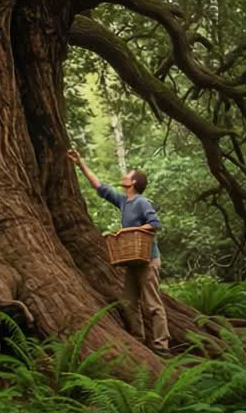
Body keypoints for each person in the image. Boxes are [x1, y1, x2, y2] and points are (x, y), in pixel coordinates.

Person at [66, 149, 169, 354]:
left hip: (148, 260)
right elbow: (100, 187)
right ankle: (139, 339)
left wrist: (129, 231)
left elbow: (154, 224)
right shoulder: (124, 202)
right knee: (129, 302)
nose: (124, 177)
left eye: (127, 175)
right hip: (132, 261)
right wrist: (80, 164)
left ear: (133, 183)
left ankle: (161, 345)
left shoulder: (141, 202)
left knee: (152, 304)